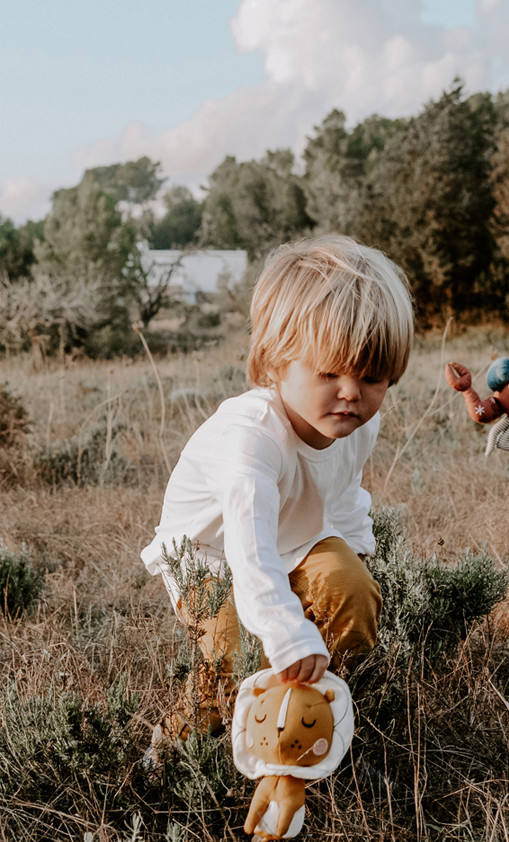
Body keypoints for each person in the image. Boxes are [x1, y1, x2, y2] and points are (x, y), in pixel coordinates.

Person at [141, 234, 415, 745]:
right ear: (275, 362)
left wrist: (353, 559)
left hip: (297, 538)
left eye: (373, 376)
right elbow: (248, 549)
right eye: (329, 372)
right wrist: (288, 630)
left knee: (353, 596)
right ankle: (173, 756)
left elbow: (346, 495)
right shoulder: (251, 438)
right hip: (209, 554)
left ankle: (312, 727)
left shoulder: (355, 422)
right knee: (229, 655)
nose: (351, 393)